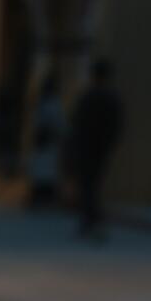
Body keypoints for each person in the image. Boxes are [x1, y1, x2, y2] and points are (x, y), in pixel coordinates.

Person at [69, 57, 124, 238]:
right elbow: (117, 124)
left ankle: (91, 220)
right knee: (94, 184)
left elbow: (77, 122)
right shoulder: (111, 98)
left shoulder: (89, 97)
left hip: (87, 147)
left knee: (88, 185)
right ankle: (93, 220)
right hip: (100, 147)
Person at [27, 70, 65, 207]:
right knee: (46, 169)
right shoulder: (52, 102)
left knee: (43, 169)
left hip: (44, 140)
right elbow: (57, 122)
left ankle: (40, 197)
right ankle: (44, 198)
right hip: (48, 141)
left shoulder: (43, 102)